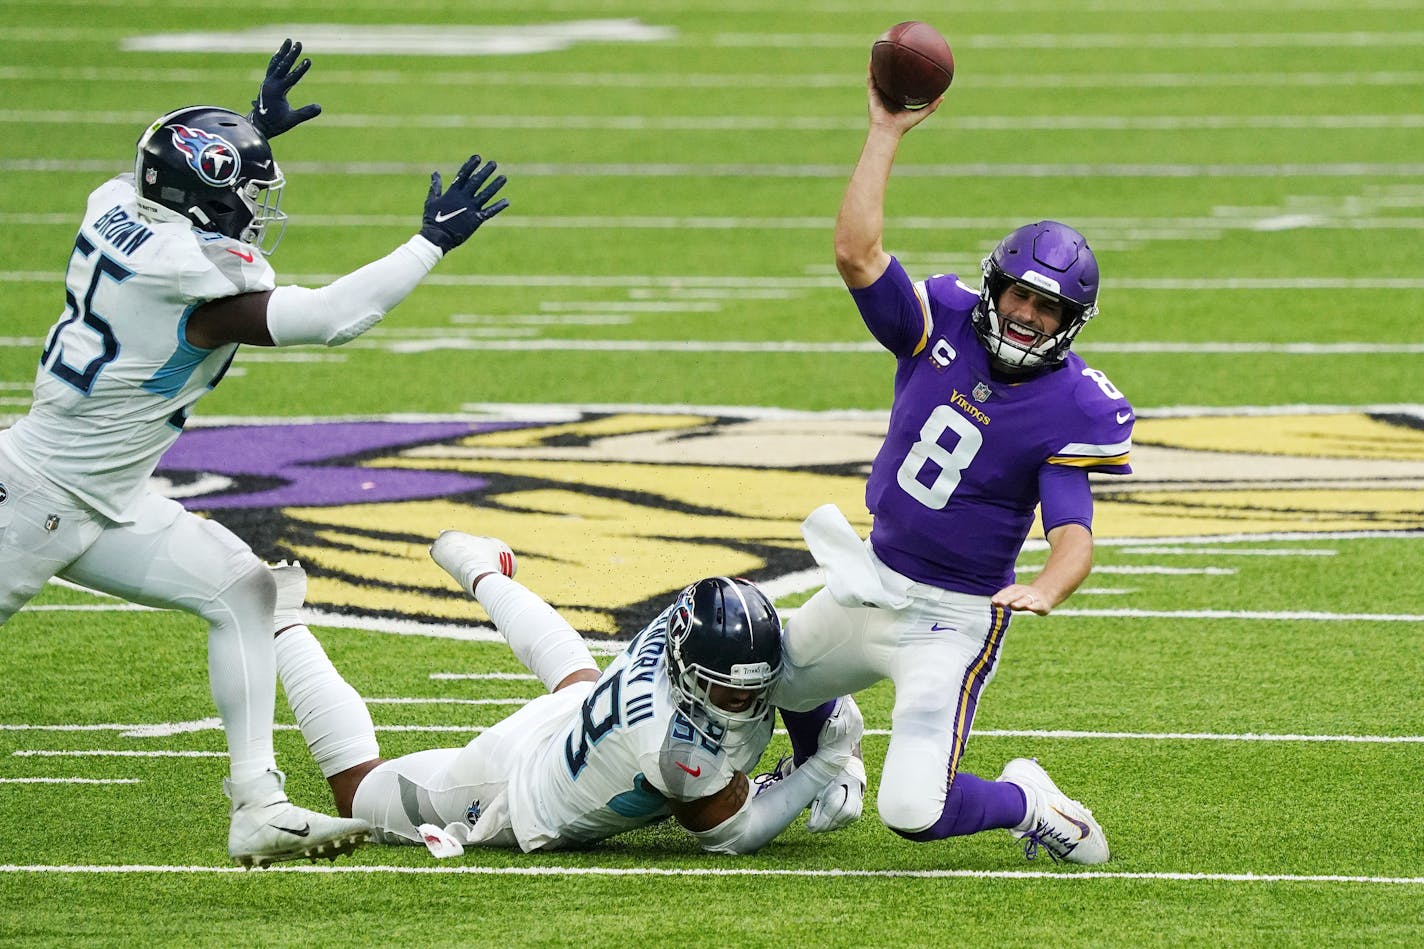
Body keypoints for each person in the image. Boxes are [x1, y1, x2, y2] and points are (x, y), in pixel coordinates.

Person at [0, 40, 509, 867]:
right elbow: (334, 315)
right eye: (242, 190)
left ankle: (259, 806)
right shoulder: (190, 281)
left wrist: (250, 132)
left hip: (97, 492)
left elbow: (174, 174)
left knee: (243, 589)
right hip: (35, 500)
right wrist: (429, 246)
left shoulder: (114, 203)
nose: (254, 207)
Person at [763, 68, 1136, 864]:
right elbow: (855, 253)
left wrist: (1048, 585)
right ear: (995, 286)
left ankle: (1030, 801)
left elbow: (1073, 529)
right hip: (872, 577)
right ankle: (824, 765)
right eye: (1020, 297)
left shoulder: (1072, 406)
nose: (1027, 316)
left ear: (1071, 324)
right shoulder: (943, 320)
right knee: (778, 683)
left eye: (1049, 309)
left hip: (949, 618)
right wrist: (886, 131)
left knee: (912, 809)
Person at [268, 531, 863, 856]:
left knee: (580, 681)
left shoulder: (706, 633)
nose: (743, 704)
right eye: (724, 693)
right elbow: (735, 833)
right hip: (513, 787)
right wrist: (825, 766)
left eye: (750, 692)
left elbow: (799, 667)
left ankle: (477, 566)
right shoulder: (672, 747)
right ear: (685, 666)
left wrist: (825, 728)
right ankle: (280, 619)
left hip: (586, 720)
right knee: (356, 796)